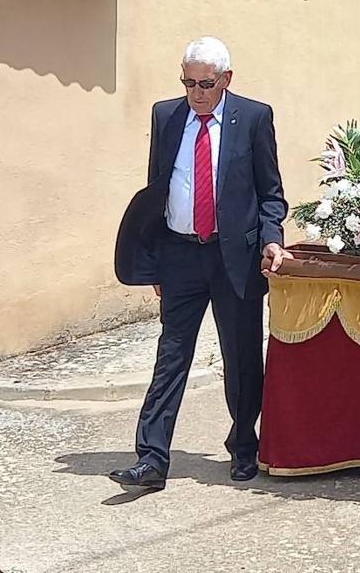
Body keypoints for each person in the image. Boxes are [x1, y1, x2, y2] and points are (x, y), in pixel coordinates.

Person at [111, 37, 290, 490]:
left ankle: (244, 444)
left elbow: (271, 193)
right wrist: (152, 261)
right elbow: (157, 188)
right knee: (171, 356)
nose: (197, 93)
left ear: (226, 79)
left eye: (205, 84)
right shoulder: (166, 115)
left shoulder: (253, 117)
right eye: (188, 83)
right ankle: (152, 459)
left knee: (242, 357)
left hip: (236, 258)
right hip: (179, 255)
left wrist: (272, 240)